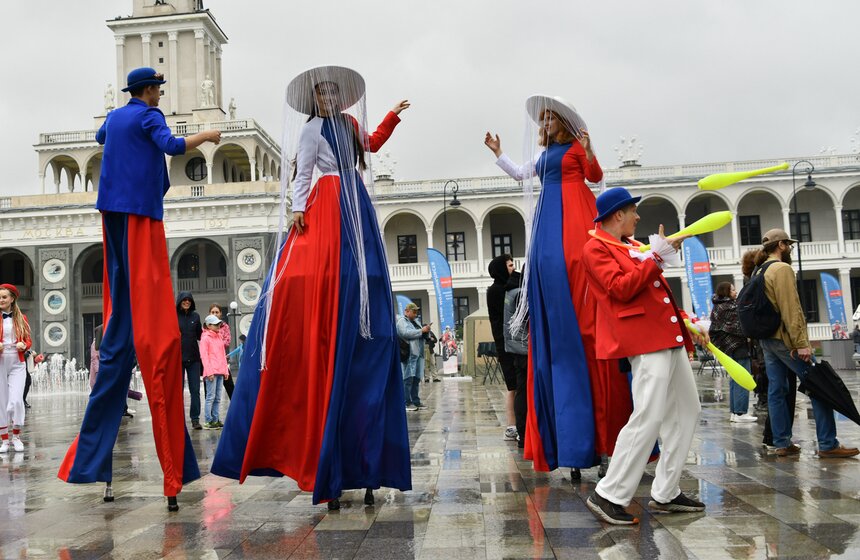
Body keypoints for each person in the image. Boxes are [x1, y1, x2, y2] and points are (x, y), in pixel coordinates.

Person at [212, 66, 412, 511]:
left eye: (332, 92)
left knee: (362, 272)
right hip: (327, 202)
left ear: (340, 97)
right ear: (314, 100)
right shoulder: (311, 131)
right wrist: (298, 210)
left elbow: (371, 144)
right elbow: (302, 173)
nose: (328, 98)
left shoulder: (350, 125)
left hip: (355, 202)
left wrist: (392, 116)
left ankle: (354, 314)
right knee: (318, 270)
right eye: (321, 94)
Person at [58, 67, 217, 511]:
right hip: (141, 214)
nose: (160, 95)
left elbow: (100, 138)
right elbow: (172, 146)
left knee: (120, 290)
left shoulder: (114, 116)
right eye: (157, 90)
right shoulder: (150, 115)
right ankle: (172, 476)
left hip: (110, 213)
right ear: (149, 91)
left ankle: (93, 463)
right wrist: (205, 136)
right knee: (148, 297)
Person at [485, 96, 630, 474]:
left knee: (579, 264)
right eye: (542, 119)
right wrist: (498, 154)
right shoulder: (544, 156)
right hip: (548, 219)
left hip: (575, 212)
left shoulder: (575, 150)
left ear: (562, 122)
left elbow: (595, 176)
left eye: (550, 118)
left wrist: (589, 148)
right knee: (551, 266)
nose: (544, 123)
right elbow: (520, 174)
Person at [582, 187, 708, 525]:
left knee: (687, 410)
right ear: (618, 214)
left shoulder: (631, 245)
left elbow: (654, 295)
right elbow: (621, 288)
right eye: (633, 211)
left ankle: (666, 490)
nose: (638, 217)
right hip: (642, 339)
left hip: (666, 334)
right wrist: (657, 258)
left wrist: (688, 321)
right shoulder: (595, 248)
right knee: (648, 416)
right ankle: (608, 494)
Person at [754, 229, 859, 459]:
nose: (790, 248)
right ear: (780, 245)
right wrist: (801, 343)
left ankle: (781, 442)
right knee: (820, 386)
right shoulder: (781, 269)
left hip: (768, 340)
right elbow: (791, 308)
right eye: (788, 245)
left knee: (777, 390)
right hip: (785, 340)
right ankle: (828, 443)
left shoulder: (759, 270)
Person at [709, 282, 758, 423]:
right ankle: (741, 413)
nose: (735, 291)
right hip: (738, 345)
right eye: (732, 290)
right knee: (742, 377)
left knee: (735, 378)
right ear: (726, 292)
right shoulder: (731, 306)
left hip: (727, 347)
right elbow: (739, 326)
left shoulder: (717, 306)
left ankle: (734, 412)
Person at [486, 254, 517, 441]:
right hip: (506, 345)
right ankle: (511, 426)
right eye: (510, 265)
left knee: (516, 386)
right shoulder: (497, 290)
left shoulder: (505, 287)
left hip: (511, 343)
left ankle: (516, 424)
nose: (513, 268)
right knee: (512, 385)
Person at [0, 284, 31, 454]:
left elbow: (28, 340)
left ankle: (16, 437)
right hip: (1, 361)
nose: (1, 300)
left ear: (12, 299)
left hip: (17, 363)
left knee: (16, 400)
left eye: (4, 297)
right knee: (1, 401)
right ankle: (5, 440)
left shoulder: (21, 318)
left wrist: (24, 345)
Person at [503, 271, 528, 449]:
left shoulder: (510, 292)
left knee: (521, 391)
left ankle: (523, 432)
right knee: (524, 392)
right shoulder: (519, 293)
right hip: (524, 347)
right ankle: (524, 433)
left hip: (516, 346)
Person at [177, 292, 203, 429]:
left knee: (195, 390)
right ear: (180, 301)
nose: (187, 302)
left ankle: (195, 419)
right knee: (178, 391)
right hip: (178, 359)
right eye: (184, 299)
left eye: (189, 300)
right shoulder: (174, 316)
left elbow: (200, 336)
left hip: (194, 358)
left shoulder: (196, 316)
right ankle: (178, 419)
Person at [398, 303, 430, 411]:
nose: (416, 314)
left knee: (416, 379)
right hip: (409, 354)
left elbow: (421, 334)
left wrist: (426, 331)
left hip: (418, 354)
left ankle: (416, 401)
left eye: (417, 312)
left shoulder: (416, 322)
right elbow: (405, 333)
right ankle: (407, 403)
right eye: (414, 311)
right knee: (408, 379)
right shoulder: (402, 321)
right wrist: (421, 331)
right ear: (407, 311)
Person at [199, 315, 229, 429]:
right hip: (211, 372)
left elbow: (223, 355)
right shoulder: (205, 338)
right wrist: (209, 372)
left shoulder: (219, 337)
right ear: (208, 325)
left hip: (220, 371)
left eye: (218, 324)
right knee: (210, 397)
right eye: (215, 324)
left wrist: (225, 371)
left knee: (217, 398)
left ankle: (215, 420)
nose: (218, 326)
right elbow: (204, 356)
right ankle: (208, 421)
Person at [208, 304, 234, 399]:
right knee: (210, 389)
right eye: (213, 312)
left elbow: (227, 341)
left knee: (229, 385)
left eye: (217, 312)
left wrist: (215, 344)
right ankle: (211, 409)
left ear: (220, 314)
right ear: (209, 313)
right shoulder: (206, 327)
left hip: (221, 360)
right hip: (210, 361)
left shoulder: (225, 326)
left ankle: (235, 406)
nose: (215, 314)